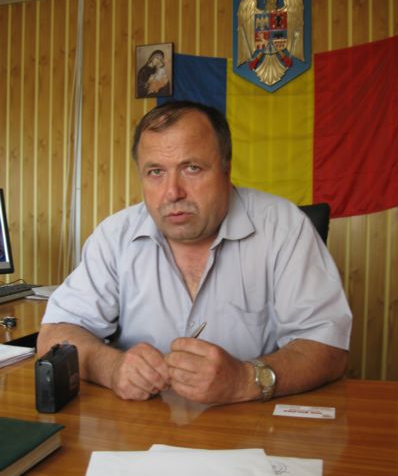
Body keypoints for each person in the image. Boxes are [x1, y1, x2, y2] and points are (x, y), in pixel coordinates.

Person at [37, 100, 352, 405]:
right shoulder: (114, 236)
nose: (172, 192)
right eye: (155, 172)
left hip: (254, 424)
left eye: (192, 168)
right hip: (143, 424)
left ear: (226, 170)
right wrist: (112, 367)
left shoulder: (284, 228)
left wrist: (244, 380)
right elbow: (54, 335)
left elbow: (328, 348)